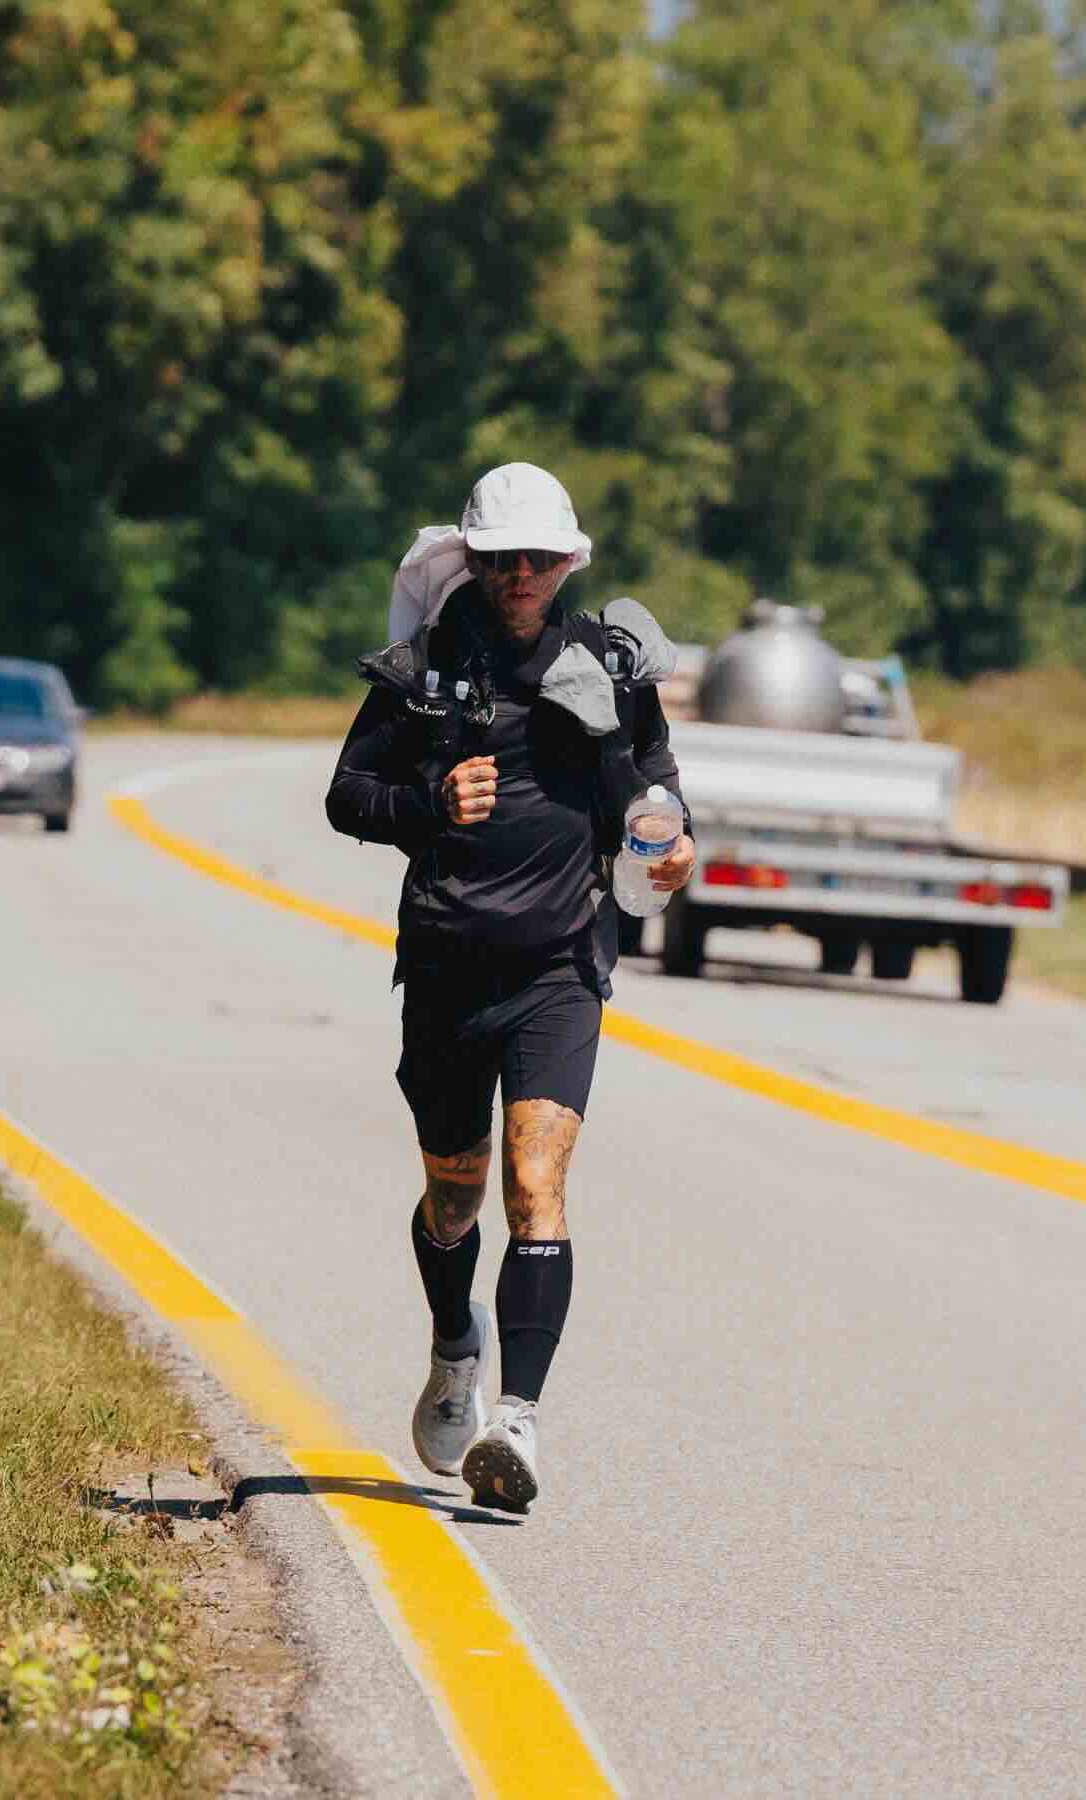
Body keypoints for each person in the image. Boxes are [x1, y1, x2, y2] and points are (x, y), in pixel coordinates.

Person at [325, 462, 694, 1514]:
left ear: (571, 560)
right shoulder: (428, 667)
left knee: (537, 1185)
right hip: (446, 962)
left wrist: (670, 849)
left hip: (559, 965)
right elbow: (348, 795)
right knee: (456, 1197)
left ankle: (518, 1423)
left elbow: (660, 795)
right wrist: (430, 799)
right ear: (475, 561)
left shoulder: (614, 667)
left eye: (542, 557)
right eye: (502, 558)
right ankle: (456, 1351)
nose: (523, 573)